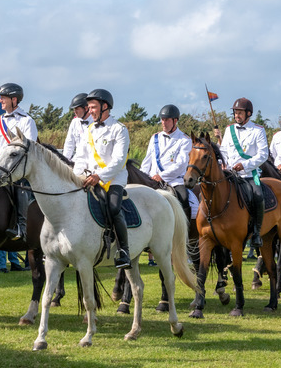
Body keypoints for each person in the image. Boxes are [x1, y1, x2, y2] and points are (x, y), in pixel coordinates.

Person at [73, 88, 131, 269]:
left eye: (93, 107)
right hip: (90, 178)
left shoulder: (119, 129)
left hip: (113, 179)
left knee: (113, 207)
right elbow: (80, 157)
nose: (90, 111)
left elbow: (119, 160)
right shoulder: (88, 130)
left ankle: (124, 251)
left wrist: (100, 176)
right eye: (89, 108)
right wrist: (76, 177)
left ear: (105, 107)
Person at [0, 83, 38, 239]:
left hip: (17, 169)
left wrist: (1, 156)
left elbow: (28, 149)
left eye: (3, 98)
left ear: (14, 100)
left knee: (20, 188)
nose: (0, 101)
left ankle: (21, 227)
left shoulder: (27, 121)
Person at [219, 97, 268, 248]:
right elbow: (223, 150)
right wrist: (222, 164)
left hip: (248, 175)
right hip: (229, 174)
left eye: (240, 113)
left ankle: (257, 233)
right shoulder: (229, 130)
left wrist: (245, 165)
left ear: (248, 114)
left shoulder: (258, 131)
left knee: (258, 195)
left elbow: (263, 155)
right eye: (235, 112)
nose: (236, 115)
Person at [140, 104, 196, 217]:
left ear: (175, 121)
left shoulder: (184, 140)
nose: (163, 123)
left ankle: (185, 232)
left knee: (183, 197)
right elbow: (147, 161)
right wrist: (141, 176)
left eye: (167, 120)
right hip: (152, 179)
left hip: (173, 180)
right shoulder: (155, 138)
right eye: (162, 119)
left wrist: (161, 176)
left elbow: (180, 164)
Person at [62, 92, 90, 162]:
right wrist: (65, 161)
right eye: (74, 109)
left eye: (77, 109)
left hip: (91, 161)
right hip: (77, 160)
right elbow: (69, 144)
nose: (74, 111)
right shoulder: (74, 122)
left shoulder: (96, 123)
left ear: (86, 108)